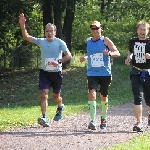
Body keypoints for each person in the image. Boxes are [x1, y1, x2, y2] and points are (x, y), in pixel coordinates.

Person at [19, 13, 72, 127]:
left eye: (51, 31)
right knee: (44, 95)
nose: (49, 33)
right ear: (45, 32)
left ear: (54, 32)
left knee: (56, 97)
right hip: (44, 73)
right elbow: (26, 37)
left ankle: (60, 106)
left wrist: (58, 62)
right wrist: (23, 25)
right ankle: (44, 117)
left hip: (57, 73)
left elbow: (69, 56)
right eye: (47, 31)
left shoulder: (60, 42)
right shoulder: (41, 41)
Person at [80, 21, 120, 130]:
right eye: (93, 29)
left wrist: (110, 53)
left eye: (97, 28)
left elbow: (117, 52)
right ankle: (93, 120)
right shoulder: (88, 41)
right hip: (92, 73)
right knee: (92, 93)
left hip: (105, 73)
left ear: (101, 28)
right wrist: (85, 58)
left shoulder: (105, 40)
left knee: (103, 96)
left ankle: (104, 118)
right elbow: (91, 55)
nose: (95, 31)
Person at [125, 21, 150, 132]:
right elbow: (130, 51)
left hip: (148, 73)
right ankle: (139, 122)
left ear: (147, 31)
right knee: (137, 97)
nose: (142, 32)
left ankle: (149, 115)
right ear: (137, 30)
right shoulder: (133, 41)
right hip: (136, 72)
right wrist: (129, 58)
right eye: (140, 29)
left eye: (144, 30)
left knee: (149, 100)